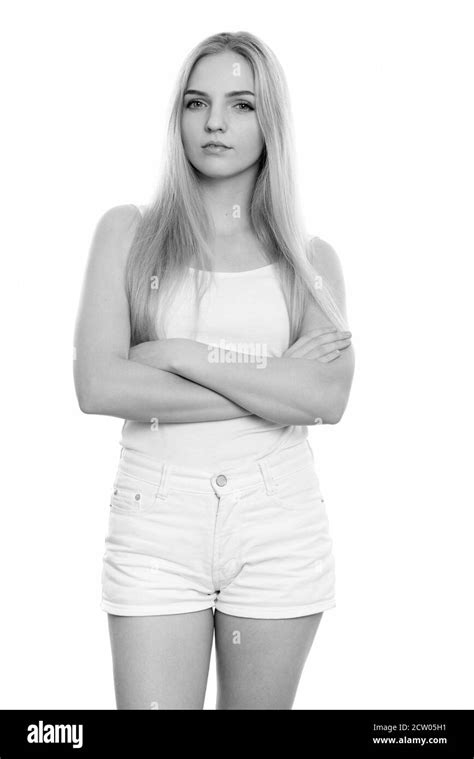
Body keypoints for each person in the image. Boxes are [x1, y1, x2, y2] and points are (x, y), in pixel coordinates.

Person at [73, 30, 355, 710]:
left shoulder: (310, 259)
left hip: (276, 523)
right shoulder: (128, 234)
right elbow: (99, 385)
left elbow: (327, 397)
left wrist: (179, 354)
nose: (215, 123)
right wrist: (273, 387)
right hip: (156, 522)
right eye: (197, 103)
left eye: (240, 104)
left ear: (271, 121)